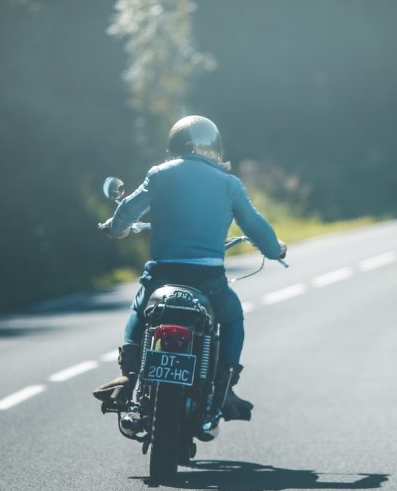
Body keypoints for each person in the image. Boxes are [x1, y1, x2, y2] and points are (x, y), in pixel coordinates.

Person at [92, 115, 286, 438]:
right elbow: (257, 227)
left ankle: (127, 375)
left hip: (162, 274)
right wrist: (276, 250)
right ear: (214, 149)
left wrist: (115, 228)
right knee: (233, 317)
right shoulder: (229, 184)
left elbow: (127, 209)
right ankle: (224, 387)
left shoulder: (159, 175)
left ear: (174, 145)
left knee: (140, 308)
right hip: (208, 281)